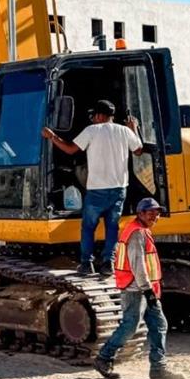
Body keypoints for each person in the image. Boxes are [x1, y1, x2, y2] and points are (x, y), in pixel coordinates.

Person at [42, 99, 144, 276]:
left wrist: (52, 137)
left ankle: (86, 263)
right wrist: (133, 128)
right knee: (112, 227)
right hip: (119, 188)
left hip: (97, 189)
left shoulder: (91, 131)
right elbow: (138, 150)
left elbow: (70, 150)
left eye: (93, 116)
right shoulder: (124, 131)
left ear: (99, 115)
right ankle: (108, 263)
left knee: (89, 227)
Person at [93, 197, 184, 379]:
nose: (155, 217)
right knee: (130, 326)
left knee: (159, 325)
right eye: (150, 213)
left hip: (142, 288)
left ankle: (158, 368)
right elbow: (138, 265)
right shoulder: (137, 233)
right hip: (136, 289)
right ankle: (104, 357)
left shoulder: (140, 230)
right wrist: (148, 290)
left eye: (157, 213)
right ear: (140, 213)